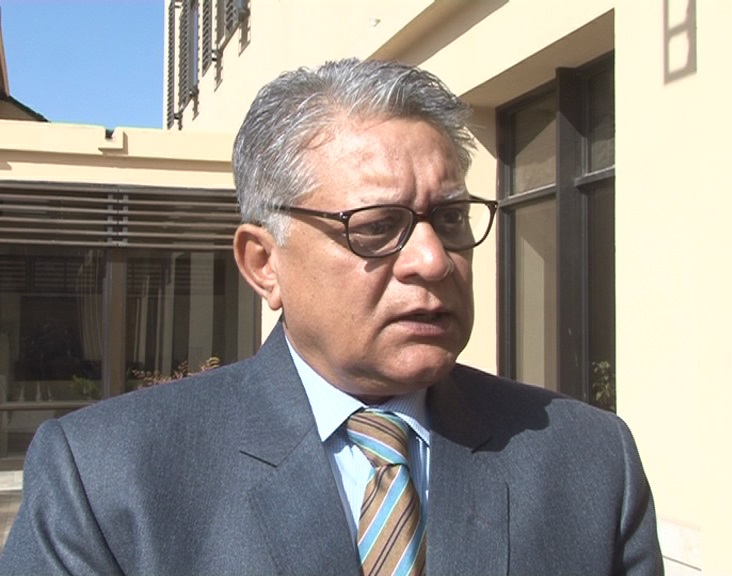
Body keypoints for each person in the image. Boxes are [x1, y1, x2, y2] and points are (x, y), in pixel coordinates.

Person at [0, 59, 663, 575]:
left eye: (451, 218)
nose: (433, 259)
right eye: (376, 227)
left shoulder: (589, 461)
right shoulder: (107, 476)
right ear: (264, 264)